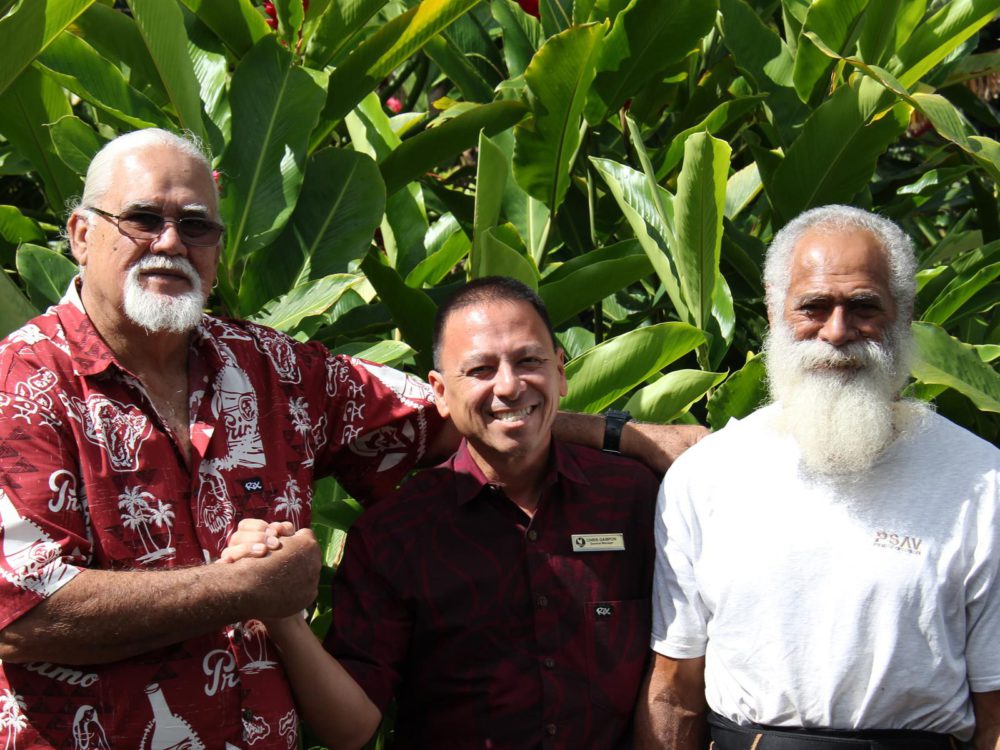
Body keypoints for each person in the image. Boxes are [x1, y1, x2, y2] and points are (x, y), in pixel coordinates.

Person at [0, 129, 702, 748]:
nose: (171, 242)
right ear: (81, 234)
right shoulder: (23, 386)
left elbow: (459, 408)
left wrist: (625, 434)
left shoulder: (269, 370)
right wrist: (245, 590)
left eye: (197, 226)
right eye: (143, 219)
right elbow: (21, 613)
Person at [225, 276, 660, 748]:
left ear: (560, 369)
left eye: (529, 360)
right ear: (438, 392)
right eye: (480, 370)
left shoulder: (632, 498)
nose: (510, 386)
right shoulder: (395, 534)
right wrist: (281, 615)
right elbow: (349, 730)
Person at [635, 205, 1000, 750]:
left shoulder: (982, 481)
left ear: (902, 313)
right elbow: (674, 688)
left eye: (863, 307)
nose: (837, 331)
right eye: (814, 306)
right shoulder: (707, 476)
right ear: (775, 308)